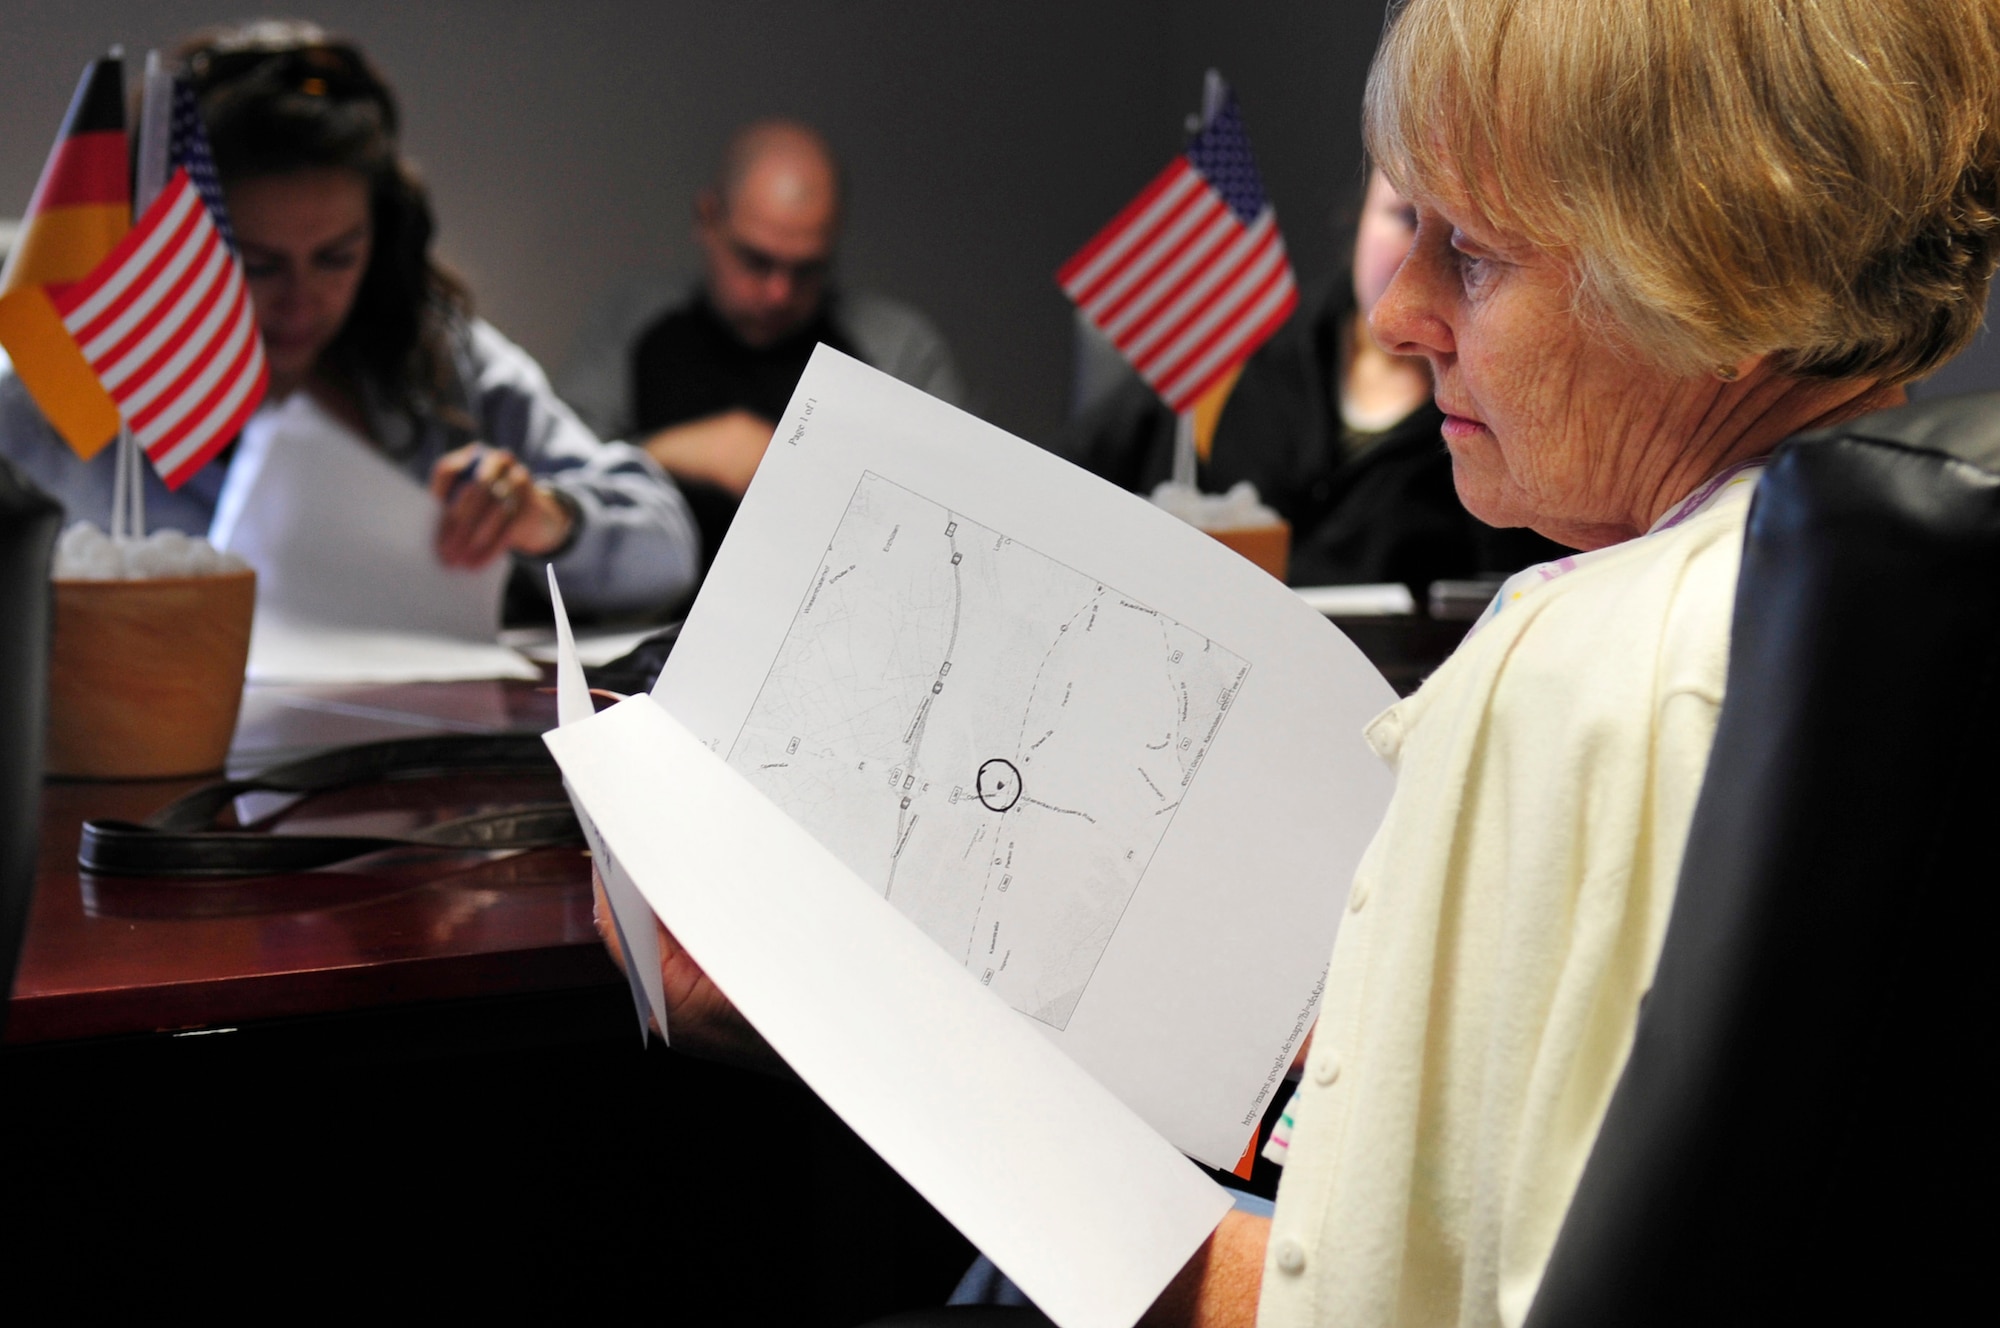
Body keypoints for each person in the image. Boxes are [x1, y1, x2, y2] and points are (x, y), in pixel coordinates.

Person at [597, 0, 2000, 1323]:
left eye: (1481, 252)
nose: (1400, 314)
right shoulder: (1877, 595)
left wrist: (843, 1015)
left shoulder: (1573, 675)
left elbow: (1352, 1307)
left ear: (1713, 254)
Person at [0, 21, 699, 618]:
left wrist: (549, 518)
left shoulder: (439, 364)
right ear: (172, 250)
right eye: (259, 264)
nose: (300, 301)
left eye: (336, 256)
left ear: (382, 234)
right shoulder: (57, 390)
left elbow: (665, 544)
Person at [1057, 167, 1566, 594]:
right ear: (1360, 217)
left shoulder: (1514, 417)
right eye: (1405, 218)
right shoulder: (1232, 348)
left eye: (1466, 239)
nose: (1419, 277)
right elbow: (1061, 493)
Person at [555, 118, 965, 563]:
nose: (779, 293)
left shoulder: (897, 350)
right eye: (756, 261)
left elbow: (959, 520)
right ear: (708, 218)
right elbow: (557, 490)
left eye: (807, 269)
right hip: (645, 617)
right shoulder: (632, 323)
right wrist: (674, 451)